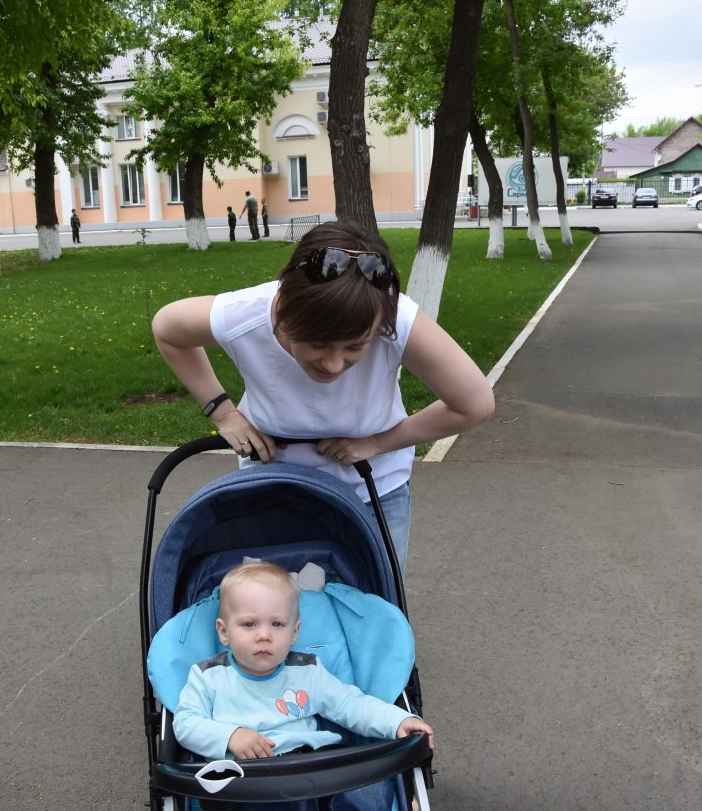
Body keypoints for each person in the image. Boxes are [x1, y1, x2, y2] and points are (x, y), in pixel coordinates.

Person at [151, 219, 494, 573]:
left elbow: (474, 403)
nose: (333, 364)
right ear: (283, 310)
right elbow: (167, 329)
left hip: (372, 491)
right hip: (273, 492)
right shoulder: (246, 314)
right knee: (272, 614)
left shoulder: (396, 318)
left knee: (374, 609)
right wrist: (222, 413)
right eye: (317, 344)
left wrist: (378, 442)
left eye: (355, 346)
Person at [174, 561, 434, 811]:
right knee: (224, 800)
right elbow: (186, 724)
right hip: (257, 782)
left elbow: (351, 705)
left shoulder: (306, 671)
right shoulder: (208, 677)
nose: (264, 635)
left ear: (294, 632)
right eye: (249, 625)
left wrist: (398, 722)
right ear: (223, 632)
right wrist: (230, 736)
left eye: (277, 625)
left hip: (319, 773)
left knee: (370, 782)